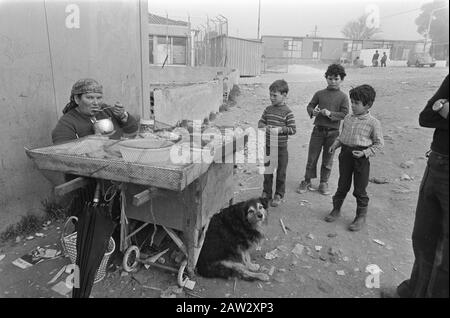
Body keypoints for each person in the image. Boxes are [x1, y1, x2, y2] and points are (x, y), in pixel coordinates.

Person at [381, 74, 449, 298]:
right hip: (438, 163)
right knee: (423, 236)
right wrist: (441, 112)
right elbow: (426, 117)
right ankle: (414, 291)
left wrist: (446, 111)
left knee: (446, 256)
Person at [325, 84, 384, 231]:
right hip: (345, 155)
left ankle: (360, 217)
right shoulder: (348, 118)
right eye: (352, 102)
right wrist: (335, 144)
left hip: (361, 159)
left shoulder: (373, 123)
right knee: (342, 185)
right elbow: (342, 136)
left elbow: (379, 144)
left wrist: (365, 153)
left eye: (357, 103)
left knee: (360, 189)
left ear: (368, 105)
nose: (353, 105)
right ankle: (336, 209)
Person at [297, 64, 349, 195]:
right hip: (318, 131)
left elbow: (344, 114)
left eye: (336, 79)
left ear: (342, 80)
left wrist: (330, 114)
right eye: (330, 78)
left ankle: (323, 182)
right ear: (326, 78)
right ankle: (307, 180)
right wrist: (313, 112)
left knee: (328, 159)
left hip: (333, 133)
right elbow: (310, 106)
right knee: (312, 157)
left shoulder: (343, 97)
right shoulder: (319, 94)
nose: (333, 81)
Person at [52, 78, 139, 144]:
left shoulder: (107, 110)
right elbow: (62, 150)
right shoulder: (67, 122)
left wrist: (124, 117)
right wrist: (93, 140)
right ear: (77, 99)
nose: (96, 103)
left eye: (99, 98)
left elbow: (132, 131)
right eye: (90, 98)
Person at [258, 79, 296, 207]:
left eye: (275, 95)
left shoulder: (288, 112)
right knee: (268, 172)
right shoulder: (268, 110)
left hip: (281, 149)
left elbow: (292, 129)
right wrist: (265, 127)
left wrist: (281, 130)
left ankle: (279, 194)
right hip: (269, 147)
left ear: (284, 95)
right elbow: (260, 123)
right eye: (270, 95)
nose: (271, 98)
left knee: (281, 173)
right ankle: (266, 193)